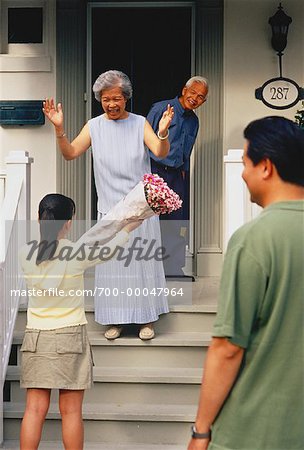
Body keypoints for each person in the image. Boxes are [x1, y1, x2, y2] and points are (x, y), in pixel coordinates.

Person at [188, 116, 304, 450]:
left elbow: (228, 347)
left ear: (265, 167)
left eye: (245, 164)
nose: (242, 173)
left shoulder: (253, 240)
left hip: (255, 430)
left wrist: (201, 431)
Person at [43, 70, 174, 341]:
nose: (111, 104)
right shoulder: (94, 126)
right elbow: (70, 154)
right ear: (99, 100)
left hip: (141, 207)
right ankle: (115, 320)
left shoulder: (140, 124)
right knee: (112, 265)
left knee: (141, 263)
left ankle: (146, 320)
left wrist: (162, 133)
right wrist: (58, 129)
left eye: (116, 98)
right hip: (110, 208)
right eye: (105, 99)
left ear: (126, 98)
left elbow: (160, 152)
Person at [19, 193, 143, 450]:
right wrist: (128, 227)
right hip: (69, 337)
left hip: (36, 338)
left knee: (33, 410)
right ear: (68, 223)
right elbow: (108, 251)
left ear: (39, 219)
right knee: (72, 411)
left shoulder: (25, 253)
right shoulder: (75, 253)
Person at [147, 76, 208, 279]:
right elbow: (143, 139)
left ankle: (173, 269)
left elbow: (187, 150)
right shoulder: (161, 109)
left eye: (201, 97)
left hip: (177, 175)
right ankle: (148, 268)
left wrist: (184, 174)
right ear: (184, 90)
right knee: (150, 220)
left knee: (176, 222)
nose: (195, 99)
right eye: (193, 93)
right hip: (155, 170)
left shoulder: (194, 121)